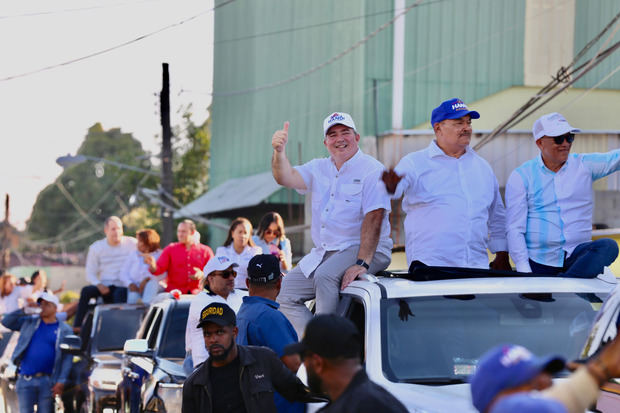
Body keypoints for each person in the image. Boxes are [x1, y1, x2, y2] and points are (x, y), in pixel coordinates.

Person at [271, 113, 392, 337]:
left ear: (356, 137)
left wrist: (362, 263)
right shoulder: (318, 168)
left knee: (325, 275)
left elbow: (374, 217)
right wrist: (279, 153)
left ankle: (329, 345)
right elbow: (284, 177)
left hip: (367, 248)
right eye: (332, 134)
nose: (339, 139)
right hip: (327, 252)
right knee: (285, 294)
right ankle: (316, 341)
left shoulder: (372, 169)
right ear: (325, 142)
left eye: (345, 132)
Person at [381, 98, 509, 271]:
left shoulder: (483, 167)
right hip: (431, 267)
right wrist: (390, 187)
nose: (467, 128)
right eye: (458, 123)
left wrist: (502, 254)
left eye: (468, 123)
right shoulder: (414, 163)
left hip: (476, 267)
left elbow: (497, 216)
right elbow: (393, 191)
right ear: (438, 128)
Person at [506, 112, 620, 277]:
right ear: (539, 143)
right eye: (558, 139)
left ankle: (566, 285)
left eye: (570, 137)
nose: (565, 144)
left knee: (608, 246)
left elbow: (615, 158)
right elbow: (514, 228)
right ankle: (571, 287)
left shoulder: (584, 165)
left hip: (577, 255)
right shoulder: (521, 176)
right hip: (539, 261)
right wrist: (525, 271)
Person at [182, 302, 324, 413]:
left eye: (220, 332)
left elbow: (299, 394)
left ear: (234, 332)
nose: (213, 339)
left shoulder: (263, 359)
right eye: (207, 334)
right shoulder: (194, 385)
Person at [470, 332, 620, 413]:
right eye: (532, 382)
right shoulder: (511, 409)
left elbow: (566, 399)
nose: (548, 384)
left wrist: (598, 371)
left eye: (544, 377)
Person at [285, 314, 407, 413]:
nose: (303, 365)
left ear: (318, 363)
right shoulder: (382, 400)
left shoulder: (361, 406)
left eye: (304, 358)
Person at [237, 254, 303, 413]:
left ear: (247, 282)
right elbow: (294, 363)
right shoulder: (269, 317)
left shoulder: (243, 312)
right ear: (280, 282)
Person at [1, 292, 73, 413]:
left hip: (47, 381)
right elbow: (6, 322)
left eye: (47, 305)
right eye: (41, 304)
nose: (42, 307)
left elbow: (67, 357)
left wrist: (61, 381)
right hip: (25, 379)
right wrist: (24, 309)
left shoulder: (64, 329)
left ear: (55, 308)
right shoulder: (30, 322)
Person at [74, 216, 137, 330]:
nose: (116, 232)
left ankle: (118, 329)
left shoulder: (132, 243)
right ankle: (77, 326)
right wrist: (99, 284)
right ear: (105, 231)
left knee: (119, 295)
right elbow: (90, 272)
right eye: (113, 229)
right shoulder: (96, 247)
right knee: (86, 291)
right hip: (105, 286)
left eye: (119, 228)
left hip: (123, 285)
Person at [185, 255, 245, 370]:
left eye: (234, 273)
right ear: (210, 278)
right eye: (225, 274)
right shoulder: (200, 300)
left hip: (235, 361)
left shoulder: (243, 295)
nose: (231, 278)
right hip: (204, 363)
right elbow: (227, 323)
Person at [144, 219, 214, 294]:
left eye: (183, 231)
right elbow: (158, 270)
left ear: (192, 232)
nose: (180, 234)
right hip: (174, 294)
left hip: (198, 294)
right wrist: (152, 265)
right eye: (179, 231)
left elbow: (214, 272)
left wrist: (202, 274)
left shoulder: (206, 250)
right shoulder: (170, 249)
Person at [215, 217, 262, 289]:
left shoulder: (256, 251)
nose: (243, 236)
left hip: (247, 292)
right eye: (240, 232)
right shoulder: (222, 251)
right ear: (232, 233)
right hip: (226, 292)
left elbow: (258, 274)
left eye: (246, 233)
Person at [122, 229, 164, 304]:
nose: (137, 244)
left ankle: (146, 307)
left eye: (140, 241)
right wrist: (130, 284)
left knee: (151, 285)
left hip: (153, 287)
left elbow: (163, 275)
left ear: (148, 242)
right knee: (133, 299)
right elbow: (123, 273)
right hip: (135, 287)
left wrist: (147, 279)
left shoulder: (160, 255)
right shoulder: (133, 254)